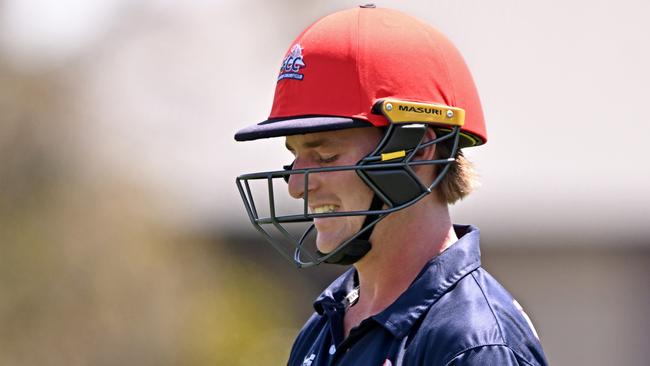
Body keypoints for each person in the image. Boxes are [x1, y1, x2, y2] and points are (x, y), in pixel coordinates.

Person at [234, 5, 547, 366]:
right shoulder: (325, 325)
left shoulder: (472, 342)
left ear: (416, 150)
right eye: (295, 157)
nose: (296, 188)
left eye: (324, 157)